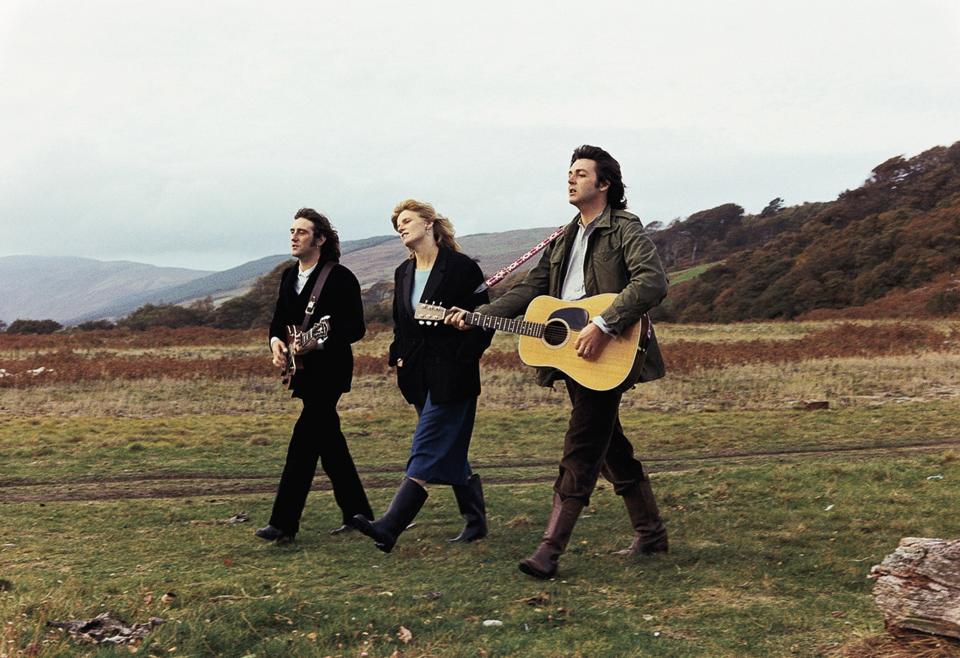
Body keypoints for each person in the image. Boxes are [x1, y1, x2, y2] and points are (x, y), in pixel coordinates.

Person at [448, 145, 669, 579]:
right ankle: (651, 531)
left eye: (581, 173)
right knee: (610, 445)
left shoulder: (624, 227)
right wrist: (478, 318)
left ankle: (549, 550)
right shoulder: (563, 237)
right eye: (569, 172)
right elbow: (531, 290)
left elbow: (652, 281)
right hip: (572, 355)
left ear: (603, 184)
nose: (571, 179)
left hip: (608, 347)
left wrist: (604, 324)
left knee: (583, 445)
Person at [352, 199, 493, 553]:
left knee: (428, 445)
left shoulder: (461, 268)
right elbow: (402, 325)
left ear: (429, 223)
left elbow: (485, 319)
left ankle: (389, 525)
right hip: (416, 375)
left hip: (454, 374)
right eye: (397, 224)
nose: (401, 227)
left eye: (406, 220)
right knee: (450, 446)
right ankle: (476, 520)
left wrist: (465, 352)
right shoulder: (403, 272)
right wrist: (398, 359)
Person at [255, 208, 374, 544]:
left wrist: (319, 340)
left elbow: (355, 328)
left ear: (320, 239)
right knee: (329, 442)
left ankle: (283, 523)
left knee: (304, 442)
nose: (294, 237)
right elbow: (279, 320)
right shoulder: (287, 276)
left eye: (302, 232)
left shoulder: (340, 277)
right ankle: (358, 513)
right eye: (292, 231)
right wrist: (276, 343)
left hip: (330, 371)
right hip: (303, 373)